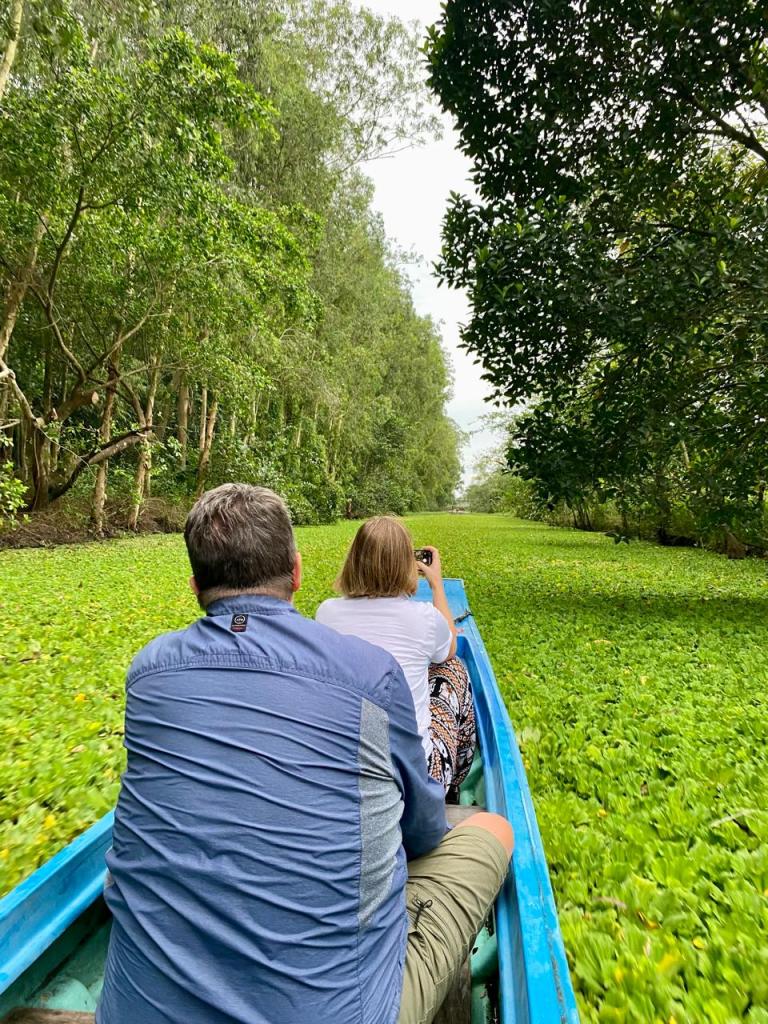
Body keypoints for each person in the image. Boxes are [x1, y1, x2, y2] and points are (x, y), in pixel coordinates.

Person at [97, 485, 512, 1024]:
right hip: (338, 1010)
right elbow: (423, 830)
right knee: (493, 831)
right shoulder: (369, 672)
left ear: (197, 585)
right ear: (295, 571)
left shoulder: (148, 672)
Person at [316, 516, 477, 794]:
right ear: (407, 563)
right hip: (414, 775)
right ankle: (453, 784)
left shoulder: (326, 613)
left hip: (345, 765)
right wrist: (436, 584)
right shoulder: (425, 618)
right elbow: (448, 649)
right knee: (453, 669)